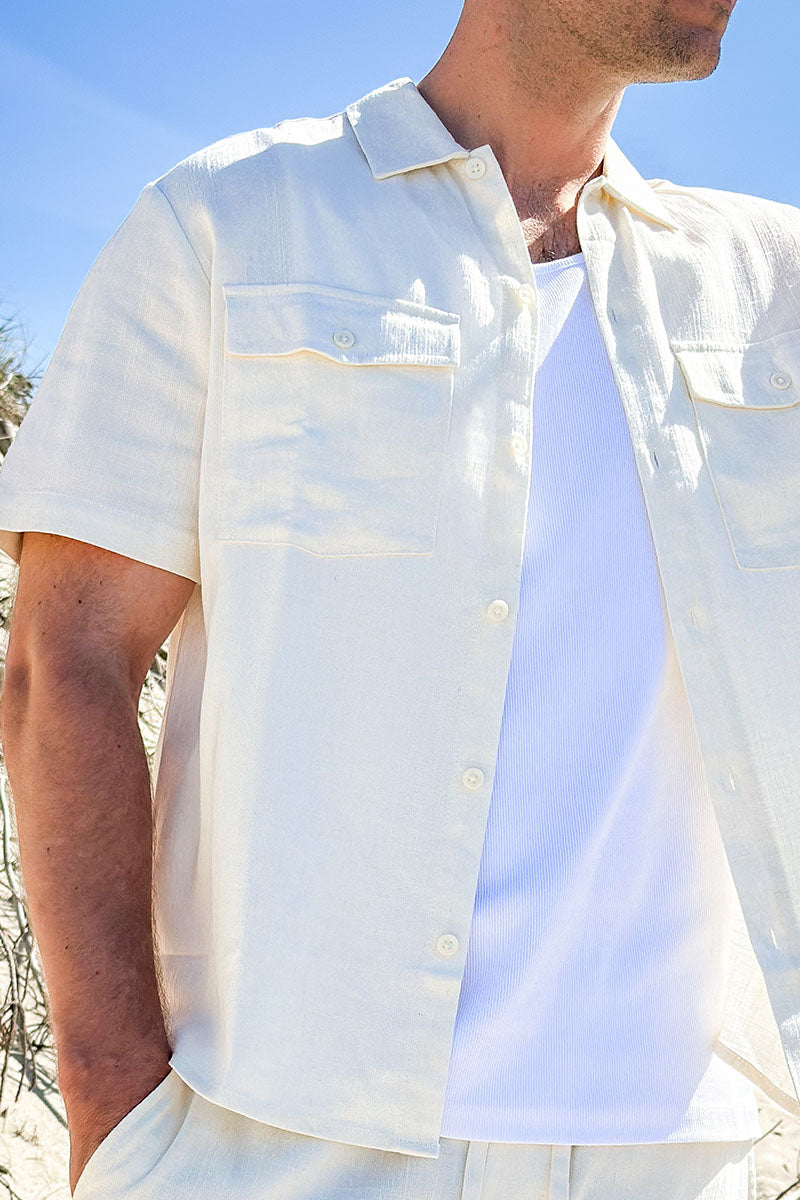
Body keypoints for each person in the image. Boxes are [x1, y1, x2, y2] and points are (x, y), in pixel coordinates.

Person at [1, 0, 799, 1196]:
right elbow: (65, 662)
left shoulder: (772, 283)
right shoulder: (229, 222)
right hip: (282, 1138)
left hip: (679, 1151)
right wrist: (116, 1103)